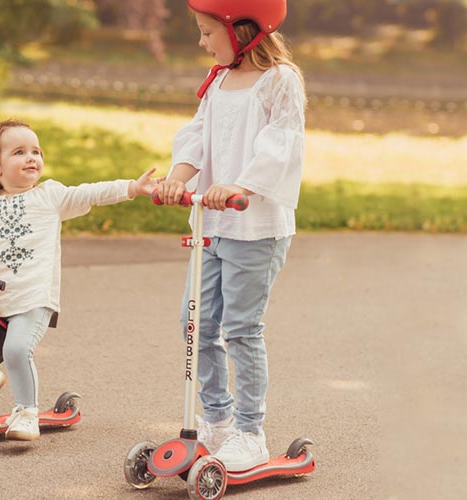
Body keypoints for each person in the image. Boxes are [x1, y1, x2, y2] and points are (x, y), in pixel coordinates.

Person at [0, 118, 160, 441]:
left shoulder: (50, 196)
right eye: (19, 152)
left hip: (31, 299)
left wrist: (131, 188)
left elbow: (90, 193)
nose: (32, 158)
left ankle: (26, 411)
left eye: (36, 151)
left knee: (16, 350)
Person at [155, 0, 306, 471]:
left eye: (206, 31)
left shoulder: (280, 79)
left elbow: (281, 144)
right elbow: (197, 135)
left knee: (241, 330)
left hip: (254, 226)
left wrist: (241, 185)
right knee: (195, 324)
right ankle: (217, 420)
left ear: (242, 30)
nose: (201, 41)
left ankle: (248, 432)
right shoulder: (218, 79)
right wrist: (178, 177)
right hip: (212, 225)